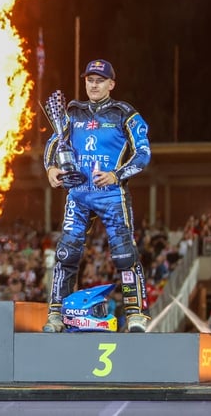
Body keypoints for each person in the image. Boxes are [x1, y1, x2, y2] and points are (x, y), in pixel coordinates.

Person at [42, 59, 152, 332]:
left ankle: (136, 314)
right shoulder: (73, 112)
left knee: (125, 254)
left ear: (111, 84)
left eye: (99, 80)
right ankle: (56, 313)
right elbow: (53, 143)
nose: (93, 84)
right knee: (66, 253)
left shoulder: (124, 113)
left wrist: (117, 175)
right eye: (90, 79)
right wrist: (51, 168)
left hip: (111, 195)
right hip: (78, 194)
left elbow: (144, 153)